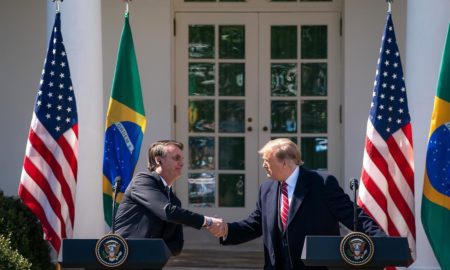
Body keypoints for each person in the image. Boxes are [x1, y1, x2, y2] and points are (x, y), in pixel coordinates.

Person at [209, 138, 385, 270]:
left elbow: (352, 215)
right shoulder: (267, 189)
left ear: (284, 163)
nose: (263, 166)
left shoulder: (321, 183)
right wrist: (227, 230)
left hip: (315, 265)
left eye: (267, 161)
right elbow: (255, 224)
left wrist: (382, 241)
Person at [114, 140, 222, 256]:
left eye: (182, 159)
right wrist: (208, 222)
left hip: (147, 261)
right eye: (176, 158)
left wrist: (152, 252)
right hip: (122, 257)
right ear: (158, 160)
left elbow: (177, 245)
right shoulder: (142, 181)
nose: (181, 163)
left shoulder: (174, 201)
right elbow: (167, 211)